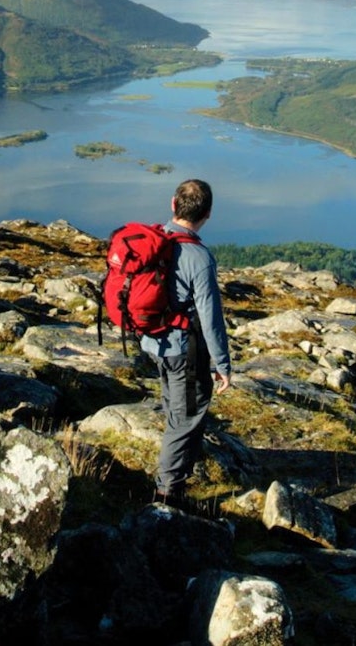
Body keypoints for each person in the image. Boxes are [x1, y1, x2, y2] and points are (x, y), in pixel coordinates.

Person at [140, 179, 232, 504]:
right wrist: (222, 365)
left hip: (153, 342)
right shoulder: (198, 257)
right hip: (183, 349)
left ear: (173, 204)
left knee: (175, 403)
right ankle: (167, 494)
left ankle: (178, 473)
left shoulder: (153, 240)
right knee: (185, 418)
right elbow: (211, 319)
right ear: (207, 214)